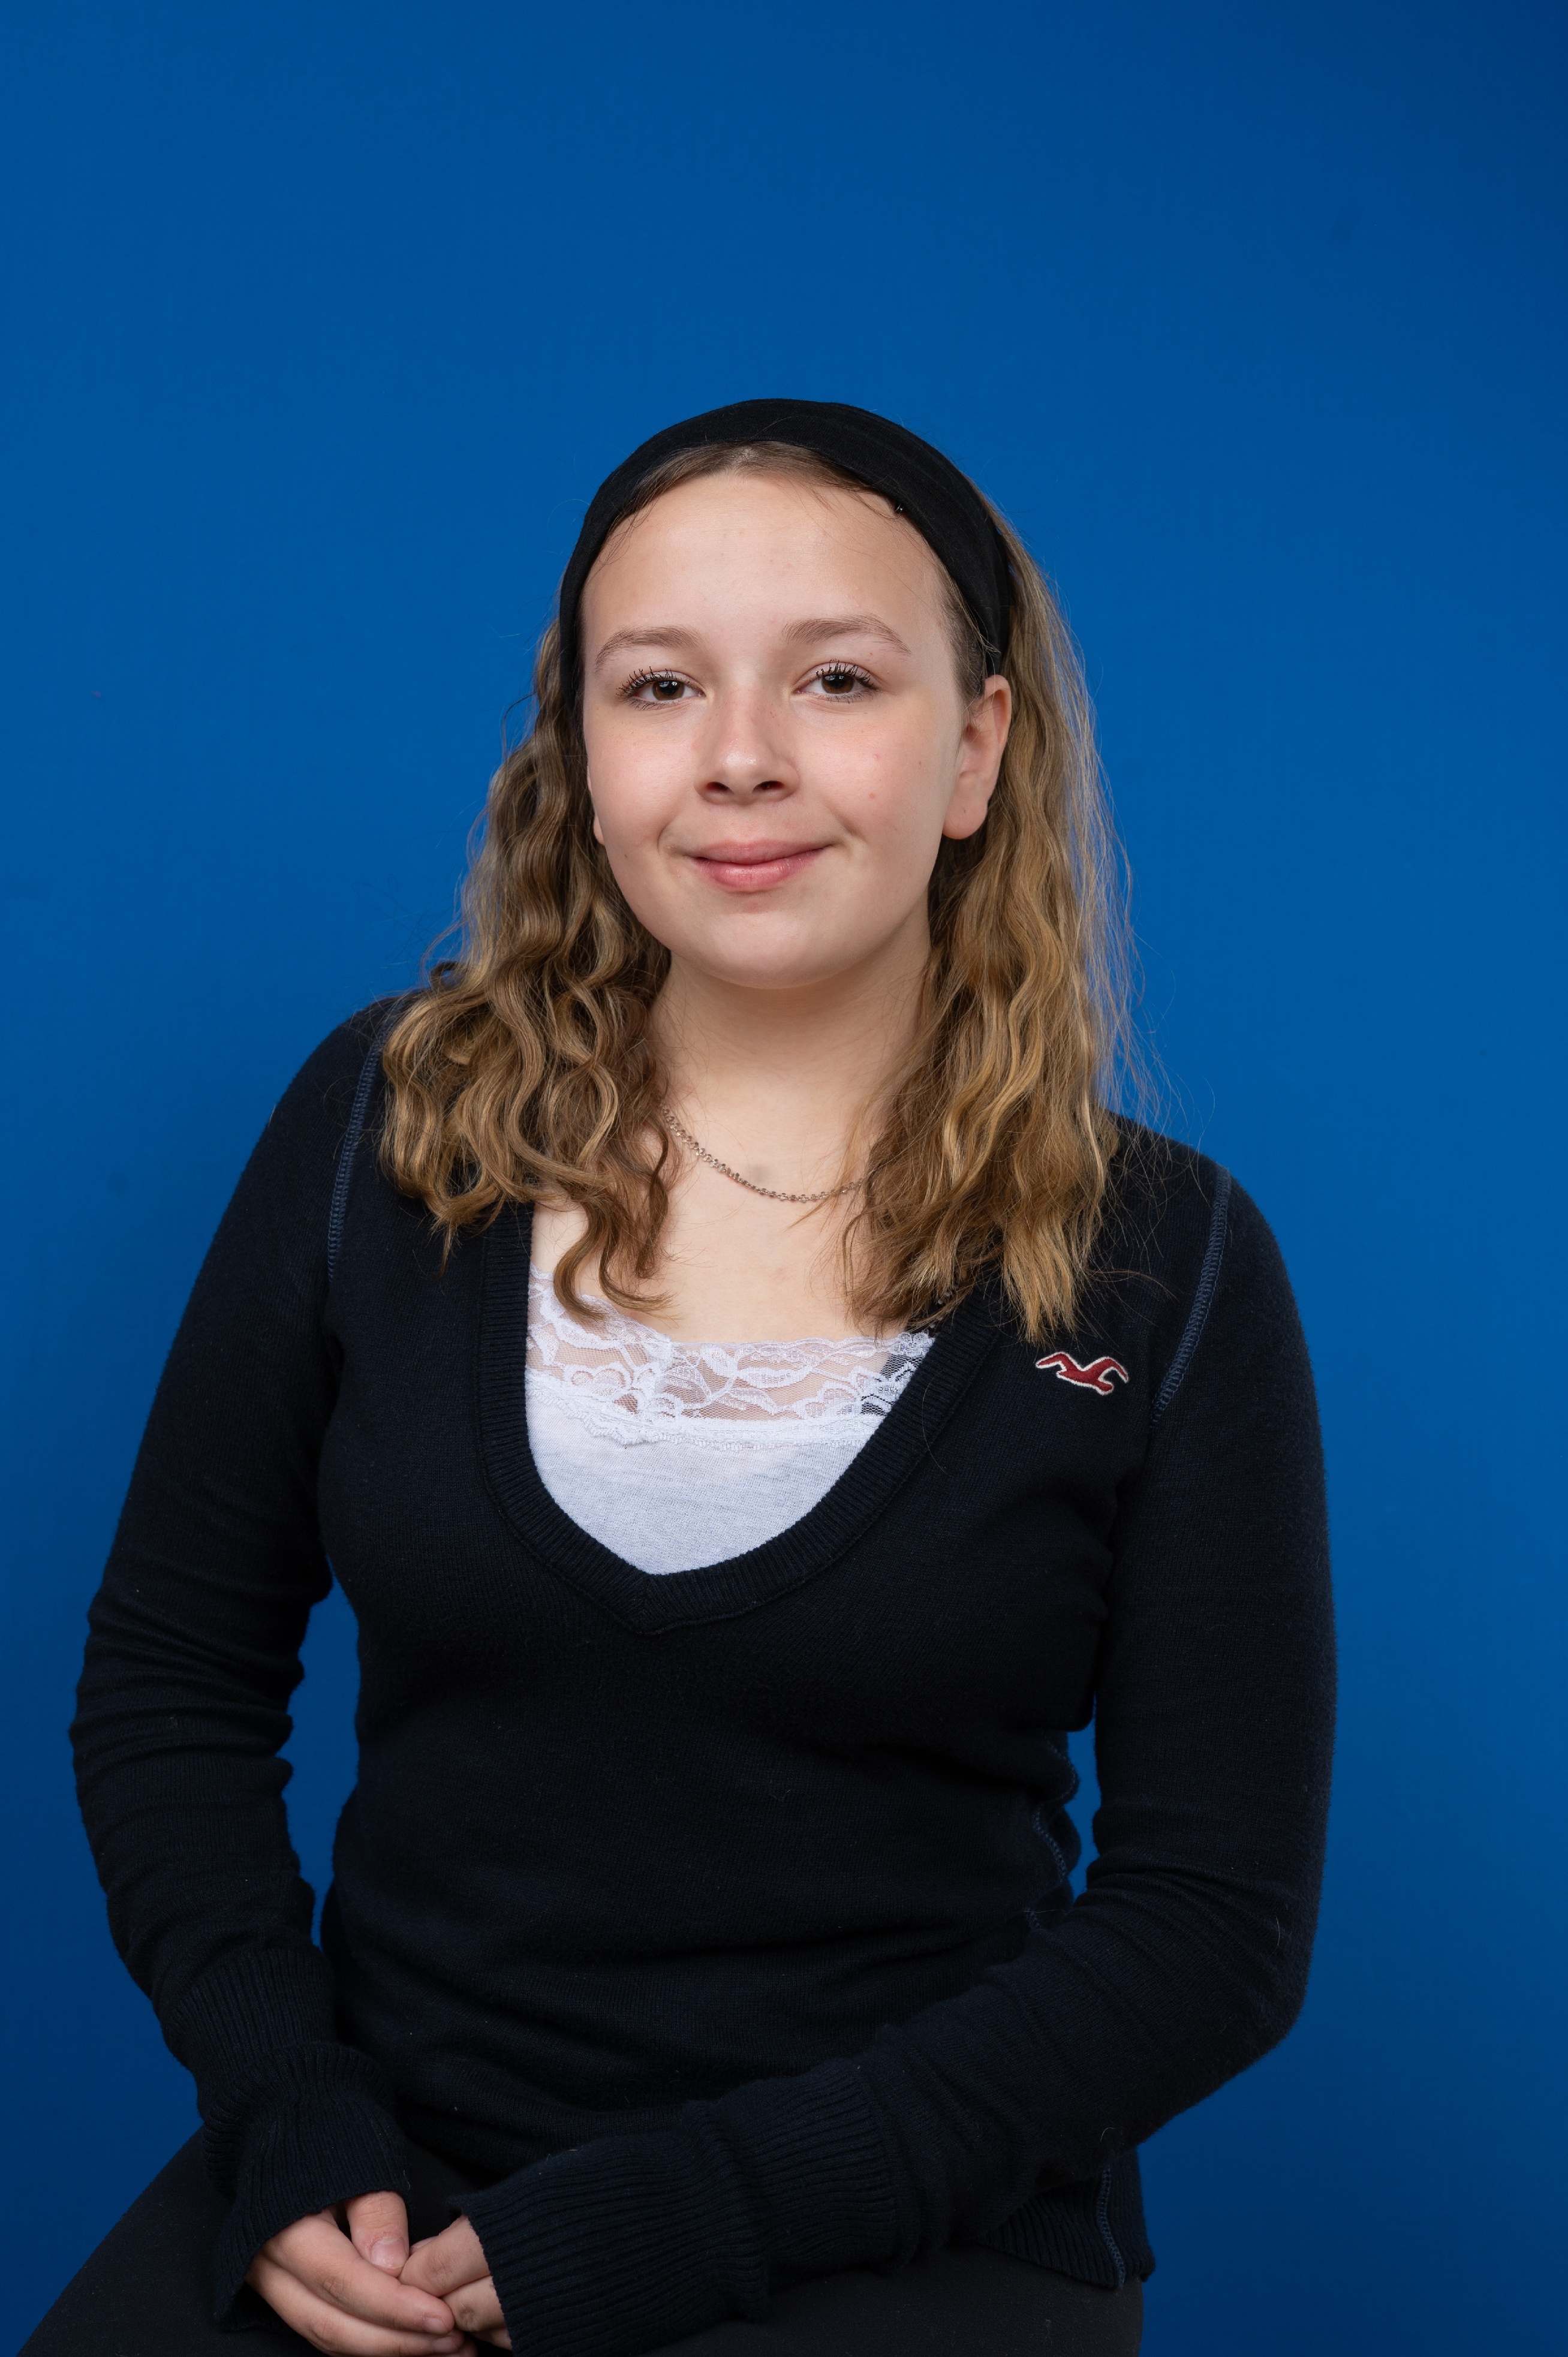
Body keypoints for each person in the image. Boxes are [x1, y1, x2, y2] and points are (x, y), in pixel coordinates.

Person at [30, 399, 1334, 2357]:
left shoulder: (1169, 1263)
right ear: (583, 754)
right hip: (389, 2195)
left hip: (894, 2221)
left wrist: (695, 2213)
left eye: (837, 678)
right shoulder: (384, 1132)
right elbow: (168, 1684)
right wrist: (287, 2106)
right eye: (659, 685)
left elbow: (1213, 1927)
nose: (740, 755)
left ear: (978, 747)